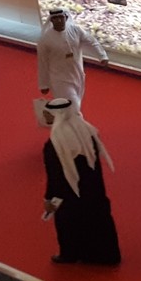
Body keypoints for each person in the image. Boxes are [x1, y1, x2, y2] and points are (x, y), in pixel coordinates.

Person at [41, 98, 121, 265]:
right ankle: (106, 255)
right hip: (93, 189)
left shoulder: (55, 142)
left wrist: (49, 198)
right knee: (98, 220)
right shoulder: (87, 130)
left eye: (48, 113)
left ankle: (70, 254)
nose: (44, 116)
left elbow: (55, 175)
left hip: (69, 193)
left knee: (69, 223)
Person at [37, 9, 109, 109]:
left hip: (77, 75)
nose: (59, 20)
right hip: (59, 79)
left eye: (61, 17)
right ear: (51, 20)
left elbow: (92, 42)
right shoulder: (45, 39)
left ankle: (63, 118)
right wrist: (43, 84)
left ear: (66, 18)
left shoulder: (76, 30)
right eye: (55, 18)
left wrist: (102, 56)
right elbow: (42, 62)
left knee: (70, 106)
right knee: (73, 106)